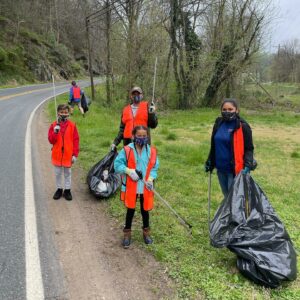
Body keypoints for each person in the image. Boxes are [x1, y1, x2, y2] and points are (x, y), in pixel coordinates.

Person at [114, 125, 159, 248]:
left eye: (144, 136)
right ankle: (127, 234)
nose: (142, 138)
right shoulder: (127, 150)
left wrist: (150, 179)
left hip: (145, 187)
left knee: (145, 211)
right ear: (133, 136)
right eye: (139, 136)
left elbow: (154, 167)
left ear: (147, 137)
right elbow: (117, 165)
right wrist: (129, 171)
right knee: (130, 210)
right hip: (131, 187)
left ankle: (146, 233)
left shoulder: (151, 151)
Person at [205, 98, 255, 198]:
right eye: (224, 110)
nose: (227, 112)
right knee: (226, 197)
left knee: (235, 199)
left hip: (235, 170)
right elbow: (214, 145)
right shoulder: (218, 124)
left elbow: (249, 148)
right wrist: (210, 160)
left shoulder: (242, 126)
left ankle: (237, 214)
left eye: (230, 109)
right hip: (220, 169)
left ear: (236, 110)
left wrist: (248, 164)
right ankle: (229, 214)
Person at [48, 104, 80, 201]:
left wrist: (75, 154)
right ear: (58, 113)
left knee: (67, 173)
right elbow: (51, 140)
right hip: (57, 154)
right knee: (58, 173)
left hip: (68, 154)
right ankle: (59, 189)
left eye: (66, 112)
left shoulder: (72, 125)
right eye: (62, 112)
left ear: (68, 113)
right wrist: (55, 132)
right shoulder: (53, 125)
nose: (64, 114)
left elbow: (76, 140)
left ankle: (67, 190)